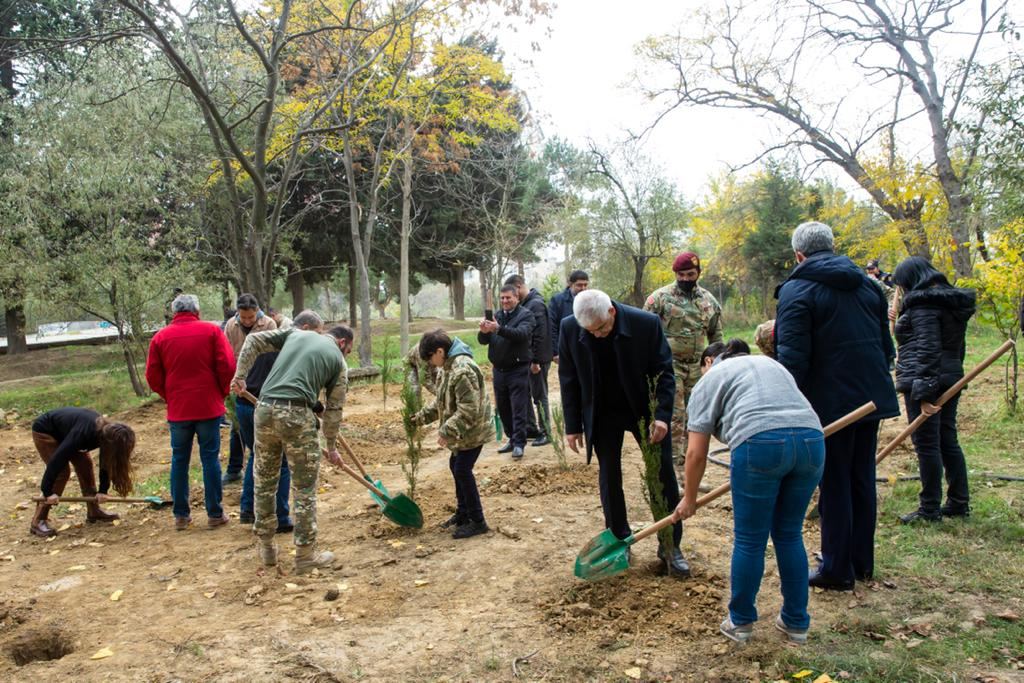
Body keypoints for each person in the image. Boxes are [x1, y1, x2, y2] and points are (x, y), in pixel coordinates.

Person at [673, 339, 824, 644]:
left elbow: (695, 454)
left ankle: (740, 622)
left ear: (708, 363)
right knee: (789, 534)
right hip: (812, 441)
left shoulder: (710, 379)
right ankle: (796, 623)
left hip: (759, 444)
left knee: (750, 539)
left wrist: (689, 499)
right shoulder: (772, 364)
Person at [774, 222, 899, 590]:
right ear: (832, 246)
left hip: (830, 405)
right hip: (870, 396)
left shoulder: (797, 290)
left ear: (799, 255)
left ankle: (837, 569)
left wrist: (785, 407)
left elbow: (792, 359)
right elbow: (885, 345)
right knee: (860, 478)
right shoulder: (869, 285)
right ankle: (860, 561)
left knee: (834, 483)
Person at [559, 289, 690, 578]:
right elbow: (568, 379)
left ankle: (670, 545)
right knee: (609, 475)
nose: (597, 336)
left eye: (602, 329)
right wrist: (572, 426)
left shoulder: (645, 323)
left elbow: (665, 372)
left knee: (662, 475)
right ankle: (619, 538)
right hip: (602, 412)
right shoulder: (570, 328)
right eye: (589, 332)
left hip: (644, 409)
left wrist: (663, 417)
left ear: (612, 313)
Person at [232, 315, 352, 574]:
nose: (348, 355)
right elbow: (334, 410)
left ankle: (267, 551)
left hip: (263, 410)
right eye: (350, 350)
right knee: (304, 488)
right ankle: (305, 556)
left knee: (263, 481)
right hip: (297, 415)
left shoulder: (295, 333)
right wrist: (330, 447)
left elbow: (252, 340)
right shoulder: (339, 362)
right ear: (342, 342)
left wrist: (240, 376)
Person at [890, 257, 976, 522]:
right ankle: (958, 502)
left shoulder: (924, 305)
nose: (902, 290)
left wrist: (925, 394)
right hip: (948, 377)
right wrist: (897, 320)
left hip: (925, 380)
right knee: (946, 439)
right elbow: (940, 345)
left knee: (927, 444)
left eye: (902, 284)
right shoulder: (947, 302)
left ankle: (929, 509)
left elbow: (927, 348)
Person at [146, 294, 236, 531]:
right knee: (210, 458)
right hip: (208, 405)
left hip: (179, 409)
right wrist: (222, 392)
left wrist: (169, 395)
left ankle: (181, 516)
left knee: (179, 460)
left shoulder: (160, 337)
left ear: (174, 312)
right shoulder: (212, 331)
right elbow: (226, 365)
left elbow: (152, 376)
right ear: (197, 310)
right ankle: (215, 514)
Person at [237, 312, 326, 532]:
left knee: (257, 459)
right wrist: (315, 407)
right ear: (305, 328)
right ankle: (282, 517)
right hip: (267, 406)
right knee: (283, 462)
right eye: (317, 333)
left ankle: (249, 511)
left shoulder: (268, 340)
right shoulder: (293, 348)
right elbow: (292, 387)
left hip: (247, 404)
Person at [644, 251, 723, 467]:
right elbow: (643, 333)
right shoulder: (659, 299)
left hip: (698, 370)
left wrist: (717, 364)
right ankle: (673, 474)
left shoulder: (709, 300)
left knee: (696, 419)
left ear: (698, 273)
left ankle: (690, 474)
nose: (686, 279)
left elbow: (716, 337)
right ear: (675, 273)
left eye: (690, 274)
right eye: (681, 275)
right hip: (670, 368)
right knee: (675, 419)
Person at [412, 329, 493, 539]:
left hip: (473, 430)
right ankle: (463, 513)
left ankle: (478, 521)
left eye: (430, 358)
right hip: (463, 431)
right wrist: (420, 418)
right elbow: (441, 401)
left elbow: (469, 410)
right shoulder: (447, 367)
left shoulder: (462, 370)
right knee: (455, 467)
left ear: (440, 351)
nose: (430, 363)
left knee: (462, 470)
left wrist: (446, 430)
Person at [29, 409, 136, 537]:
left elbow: (106, 463)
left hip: (69, 432)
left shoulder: (107, 435)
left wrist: (103, 491)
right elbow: (55, 462)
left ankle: (94, 511)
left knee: (86, 466)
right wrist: (47, 492)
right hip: (46, 431)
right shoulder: (83, 434)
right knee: (62, 472)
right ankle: (39, 520)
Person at [222, 294, 278, 484]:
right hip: (239, 381)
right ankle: (234, 468)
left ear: (257, 312)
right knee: (236, 427)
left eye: (250, 318)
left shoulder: (269, 324)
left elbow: (272, 355)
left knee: (261, 427)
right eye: (243, 317)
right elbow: (227, 352)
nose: (246, 321)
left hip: (261, 380)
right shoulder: (231, 325)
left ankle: (259, 464)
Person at [479, 284, 535, 459]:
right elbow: (483, 341)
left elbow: (521, 334)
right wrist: (484, 331)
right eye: (502, 298)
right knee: (503, 407)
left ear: (516, 298)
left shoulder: (526, 315)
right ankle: (511, 438)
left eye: (508, 298)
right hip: (499, 370)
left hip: (518, 369)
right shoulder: (496, 315)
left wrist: (498, 329)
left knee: (518, 407)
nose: (505, 301)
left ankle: (520, 443)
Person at [506, 274, 553, 446]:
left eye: (513, 292)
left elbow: (539, 336)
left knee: (539, 395)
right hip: (527, 358)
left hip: (537, 360)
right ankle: (532, 429)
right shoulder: (526, 304)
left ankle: (547, 432)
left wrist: (535, 361)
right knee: (526, 394)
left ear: (518, 286)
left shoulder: (536, 304)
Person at [549, 270, 589, 364]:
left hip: (587, 348)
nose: (583, 288)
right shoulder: (557, 300)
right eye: (579, 285)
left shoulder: (590, 299)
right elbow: (552, 327)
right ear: (570, 284)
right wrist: (555, 351)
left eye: (585, 285)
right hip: (566, 348)